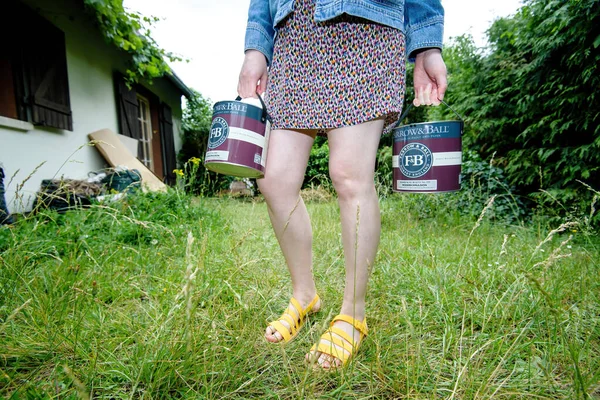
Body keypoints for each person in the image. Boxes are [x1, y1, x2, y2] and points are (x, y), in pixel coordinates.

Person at [238, 0, 447, 369]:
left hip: (364, 29)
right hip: (294, 39)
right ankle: (305, 295)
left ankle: (353, 313)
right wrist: (257, 47)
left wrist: (427, 44)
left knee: (350, 176)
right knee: (275, 181)